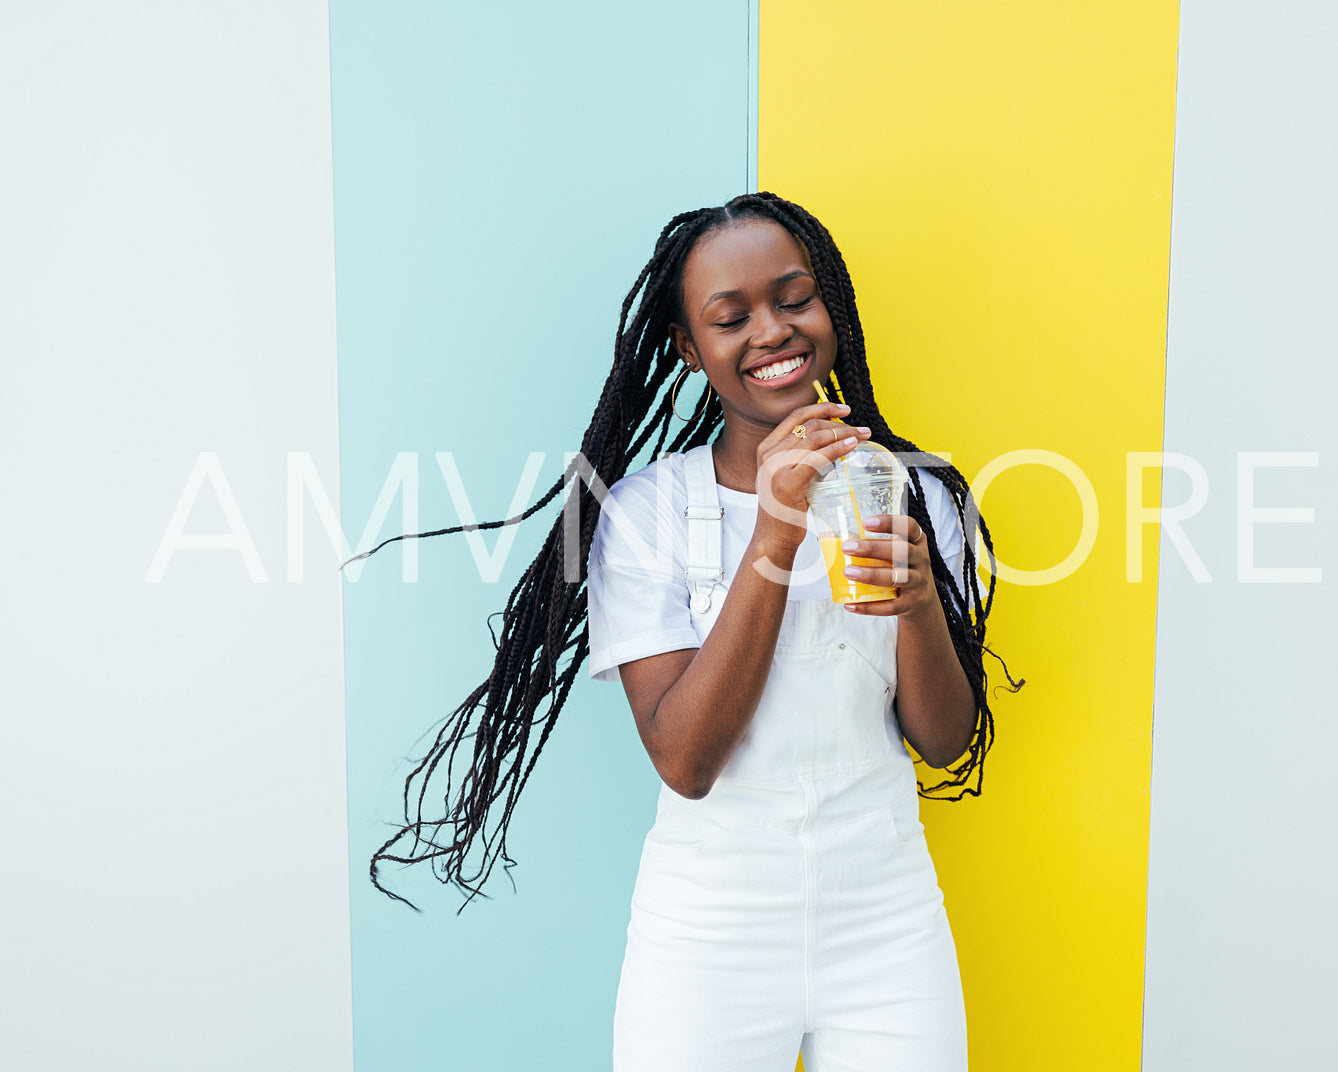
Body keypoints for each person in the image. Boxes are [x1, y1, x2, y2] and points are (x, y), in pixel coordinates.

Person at [357, 191, 1022, 1070]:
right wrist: (777, 530)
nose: (772, 332)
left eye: (794, 299)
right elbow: (685, 759)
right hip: (709, 935)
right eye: (729, 316)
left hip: (889, 920)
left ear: (831, 306)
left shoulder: (914, 495)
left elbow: (941, 742)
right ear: (689, 348)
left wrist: (918, 608)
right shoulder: (643, 515)